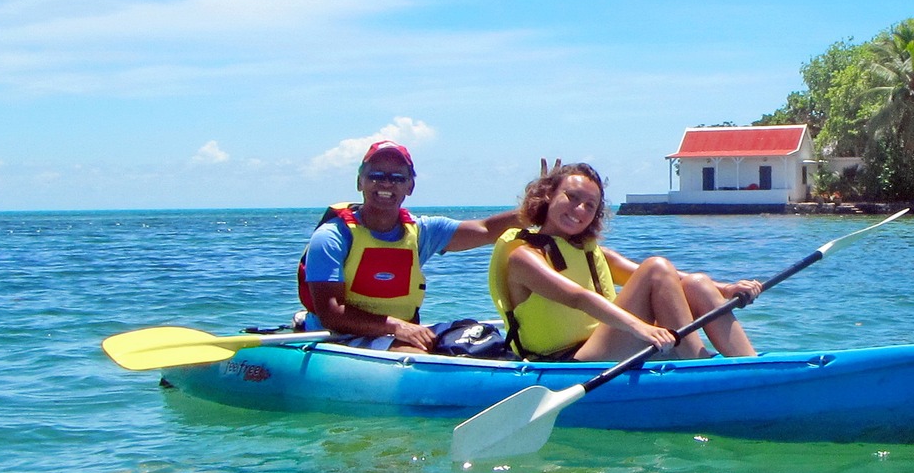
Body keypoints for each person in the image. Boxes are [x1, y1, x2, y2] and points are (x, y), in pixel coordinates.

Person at [489, 161, 763, 361]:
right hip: (566, 360)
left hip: (609, 344)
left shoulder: (590, 252)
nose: (579, 209)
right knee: (655, 267)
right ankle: (697, 366)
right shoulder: (524, 257)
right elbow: (578, 298)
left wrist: (725, 288)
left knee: (697, 282)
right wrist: (640, 328)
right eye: (571, 197)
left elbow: (667, 279)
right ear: (549, 195)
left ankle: (750, 364)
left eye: (590, 205)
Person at [297, 141, 523, 352]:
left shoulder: (423, 232)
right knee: (422, 355)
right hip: (340, 337)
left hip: (398, 333)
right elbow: (331, 314)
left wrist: (536, 207)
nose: (386, 183)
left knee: (483, 338)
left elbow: (486, 230)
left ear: (410, 186)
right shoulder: (331, 237)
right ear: (360, 182)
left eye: (397, 178)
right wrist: (396, 326)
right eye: (375, 176)